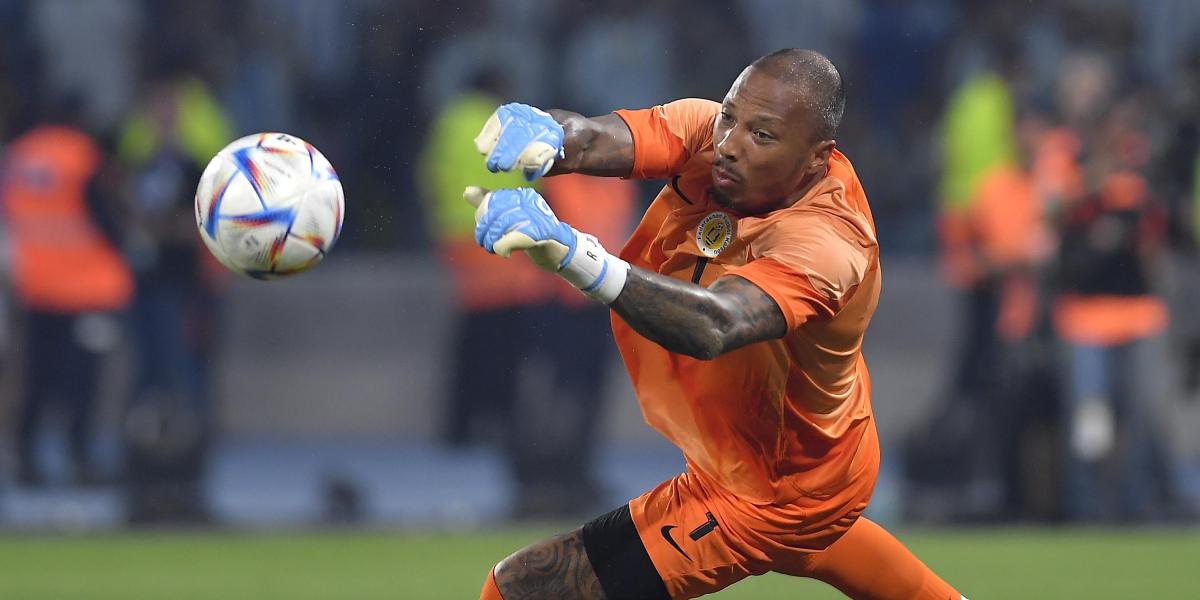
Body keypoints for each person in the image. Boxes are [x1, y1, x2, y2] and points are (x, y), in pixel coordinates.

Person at [467, 49, 963, 600]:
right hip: (800, 453)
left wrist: (575, 255)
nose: (729, 144)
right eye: (730, 116)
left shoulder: (828, 242)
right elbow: (599, 136)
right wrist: (550, 133)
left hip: (771, 492)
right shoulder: (716, 133)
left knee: (521, 589)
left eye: (763, 137)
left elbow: (716, 325)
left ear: (818, 159)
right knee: (822, 539)